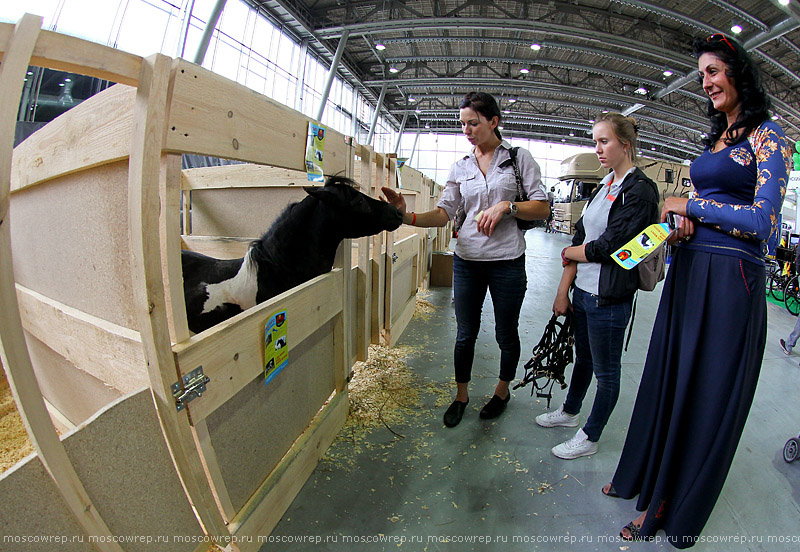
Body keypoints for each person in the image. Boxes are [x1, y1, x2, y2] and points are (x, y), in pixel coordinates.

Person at [604, 34, 791, 546]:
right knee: (670, 379)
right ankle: (648, 479)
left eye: (714, 71)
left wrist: (690, 208)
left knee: (704, 392)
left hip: (732, 281)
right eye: (702, 74)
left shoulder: (770, 137)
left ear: (739, 72)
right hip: (689, 271)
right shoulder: (717, 142)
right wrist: (674, 224)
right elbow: (693, 209)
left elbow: (764, 223)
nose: (706, 82)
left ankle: (673, 507)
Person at [381, 91, 549, 427]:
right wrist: (405, 217)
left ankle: (502, 391)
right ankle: (461, 395)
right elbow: (444, 214)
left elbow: (542, 207)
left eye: (473, 123)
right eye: (463, 124)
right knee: (465, 333)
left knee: (506, 332)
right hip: (468, 259)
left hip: (507, 261)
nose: (467, 130)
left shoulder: (518, 159)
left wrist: (506, 206)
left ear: (493, 122)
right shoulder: (461, 166)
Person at [535, 113, 659, 459]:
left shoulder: (641, 191)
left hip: (610, 298)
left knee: (607, 372)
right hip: (584, 294)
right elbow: (583, 236)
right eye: (595, 142)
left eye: (604, 141)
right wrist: (563, 289)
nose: (598, 149)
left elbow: (611, 247)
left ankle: (590, 437)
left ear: (626, 145)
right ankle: (570, 412)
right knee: (584, 359)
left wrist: (567, 251)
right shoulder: (605, 185)